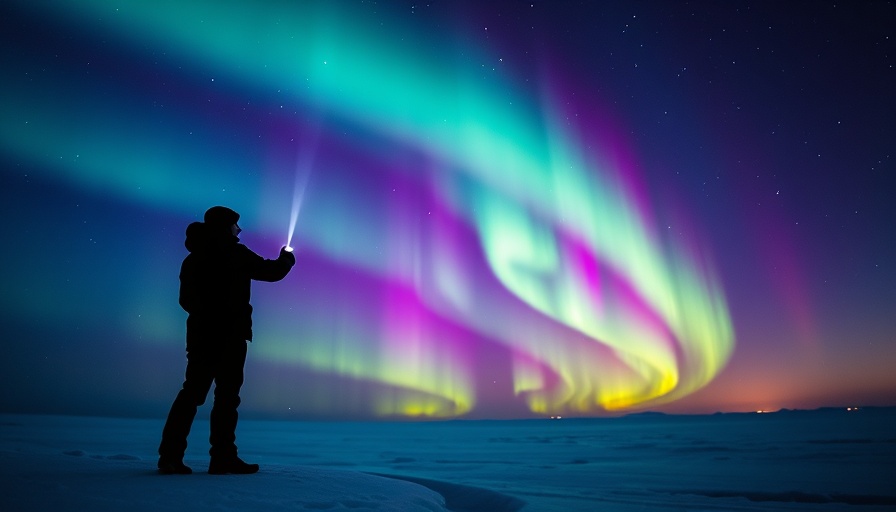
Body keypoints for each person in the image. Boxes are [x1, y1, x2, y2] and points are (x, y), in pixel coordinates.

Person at [158, 206, 296, 475]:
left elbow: (186, 300)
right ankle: (221, 458)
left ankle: (174, 457)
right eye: (235, 225)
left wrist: (207, 315)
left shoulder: (194, 258)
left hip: (202, 335)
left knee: (196, 394)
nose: (239, 230)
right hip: (228, 336)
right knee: (223, 398)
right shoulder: (235, 254)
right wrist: (286, 260)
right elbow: (271, 271)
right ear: (225, 227)